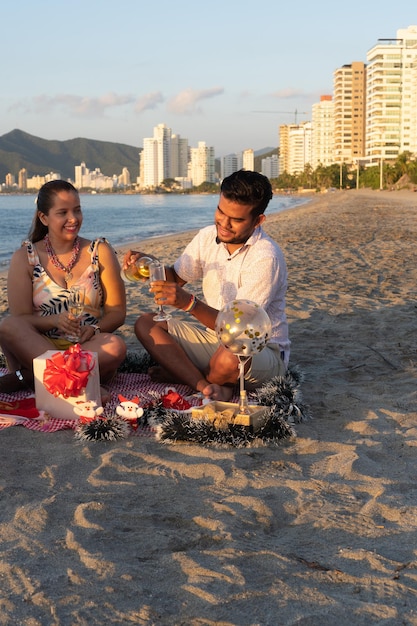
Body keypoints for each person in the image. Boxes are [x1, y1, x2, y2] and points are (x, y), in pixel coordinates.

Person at [125, 169, 289, 401]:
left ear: (257, 221)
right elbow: (177, 278)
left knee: (229, 356)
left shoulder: (265, 257)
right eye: (221, 212)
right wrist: (149, 263)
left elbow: (239, 330)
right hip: (215, 340)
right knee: (146, 323)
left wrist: (189, 304)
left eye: (237, 220)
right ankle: (203, 383)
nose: (224, 224)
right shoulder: (207, 237)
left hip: (259, 350)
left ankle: (186, 375)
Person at [0, 179, 127, 395]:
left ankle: (33, 378)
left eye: (77, 210)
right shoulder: (26, 257)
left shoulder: (99, 251)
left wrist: (95, 329)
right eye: (63, 212)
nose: (73, 219)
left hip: (85, 347)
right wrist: (54, 320)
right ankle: (79, 385)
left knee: (116, 346)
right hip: (38, 347)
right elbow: (21, 320)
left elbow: (117, 312)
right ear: (43, 217)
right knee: (8, 326)